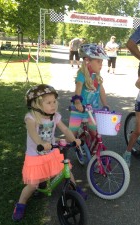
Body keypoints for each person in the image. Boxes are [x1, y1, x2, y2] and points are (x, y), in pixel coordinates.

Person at [12, 84, 83, 222]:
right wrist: (40, 143)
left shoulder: (55, 116)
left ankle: (76, 191)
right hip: (35, 156)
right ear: (37, 105)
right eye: (49, 103)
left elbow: (66, 130)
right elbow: (33, 133)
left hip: (51, 152)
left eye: (54, 102)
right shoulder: (31, 118)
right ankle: (20, 204)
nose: (53, 105)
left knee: (65, 170)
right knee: (33, 185)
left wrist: (74, 139)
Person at [69, 43, 110, 138]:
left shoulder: (97, 77)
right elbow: (78, 88)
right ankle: (64, 151)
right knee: (71, 136)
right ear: (87, 61)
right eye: (98, 62)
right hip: (78, 110)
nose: (101, 65)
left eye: (102, 62)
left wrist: (105, 104)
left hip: (92, 111)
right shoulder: (82, 75)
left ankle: (93, 151)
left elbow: (101, 91)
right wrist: (77, 102)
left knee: (95, 134)